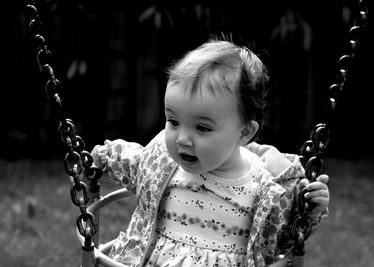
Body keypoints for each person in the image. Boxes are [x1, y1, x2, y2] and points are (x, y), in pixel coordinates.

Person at [91, 38, 329, 267]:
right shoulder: (162, 161)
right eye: (173, 121)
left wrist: (309, 208)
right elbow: (135, 161)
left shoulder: (265, 187)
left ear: (244, 133)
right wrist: (101, 158)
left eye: (202, 128)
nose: (182, 138)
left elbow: (285, 237)